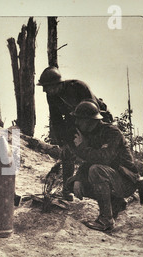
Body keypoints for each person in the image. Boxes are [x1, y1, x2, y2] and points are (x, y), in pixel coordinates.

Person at [37, 66, 112, 201]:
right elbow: (56, 119)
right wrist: (63, 142)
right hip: (76, 123)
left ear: (57, 84)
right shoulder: (51, 96)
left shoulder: (78, 87)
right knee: (67, 153)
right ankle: (67, 189)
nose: (44, 90)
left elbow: (93, 112)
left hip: (96, 120)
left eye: (47, 87)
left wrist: (86, 136)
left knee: (100, 154)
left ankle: (112, 190)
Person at [67, 100, 139, 231]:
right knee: (72, 184)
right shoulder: (92, 134)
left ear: (90, 121)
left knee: (96, 170)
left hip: (127, 180)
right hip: (114, 177)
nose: (77, 123)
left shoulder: (112, 132)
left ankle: (106, 220)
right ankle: (116, 202)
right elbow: (89, 161)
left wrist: (82, 147)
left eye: (80, 120)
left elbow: (104, 158)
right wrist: (78, 178)